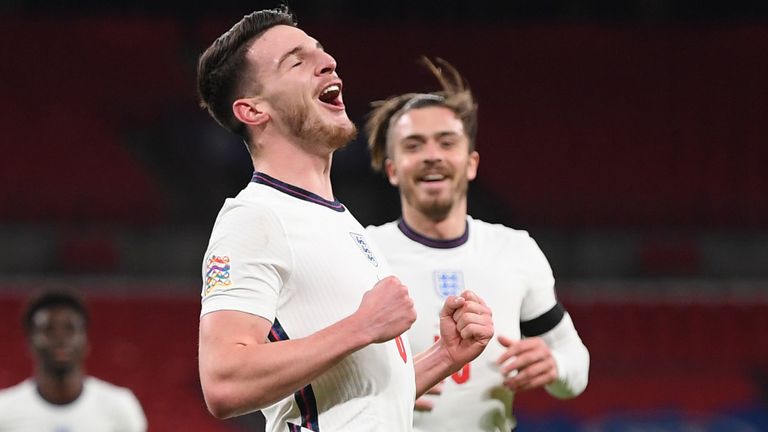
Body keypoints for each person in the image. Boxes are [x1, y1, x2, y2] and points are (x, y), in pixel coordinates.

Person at [195, 6, 494, 432]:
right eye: (297, 61)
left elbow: (358, 406)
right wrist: (361, 326)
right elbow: (223, 382)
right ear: (253, 111)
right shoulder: (255, 217)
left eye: (321, 52)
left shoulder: (339, 221)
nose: (329, 62)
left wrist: (443, 357)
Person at [365, 58, 590, 432]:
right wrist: (372, 393)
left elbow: (575, 364)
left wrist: (556, 367)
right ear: (392, 169)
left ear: (471, 164)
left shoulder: (514, 250)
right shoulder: (363, 253)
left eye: (446, 142)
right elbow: (310, 381)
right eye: (414, 145)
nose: (432, 155)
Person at [0, 290, 147, 431]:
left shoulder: (119, 407)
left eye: (70, 329)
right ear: (30, 343)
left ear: (86, 342)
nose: (60, 339)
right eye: (49, 330)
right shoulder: (4, 411)